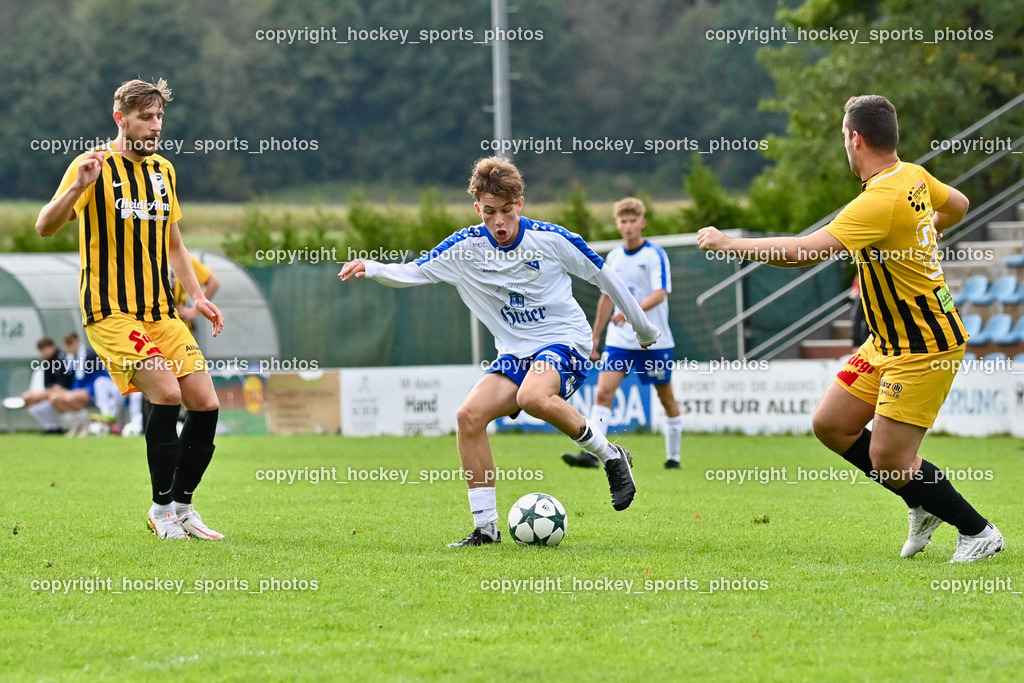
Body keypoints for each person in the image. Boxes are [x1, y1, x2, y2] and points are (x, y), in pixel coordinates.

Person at [697, 94, 1003, 563]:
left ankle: (979, 531)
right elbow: (959, 203)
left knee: (890, 460)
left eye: (844, 135)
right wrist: (928, 231)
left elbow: (804, 252)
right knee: (832, 425)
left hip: (925, 342)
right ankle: (922, 502)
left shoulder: (878, 200)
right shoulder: (913, 175)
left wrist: (728, 242)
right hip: (886, 340)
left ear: (855, 139)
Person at [340, 157, 660, 547]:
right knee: (469, 416)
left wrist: (644, 330)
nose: (500, 223)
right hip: (515, 354)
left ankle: (609, 455)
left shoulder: (553, 240)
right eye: (490, 213)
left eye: (507, 211)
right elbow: (415, 272)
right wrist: (372, 268)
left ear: (520, 203)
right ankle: (486, 528)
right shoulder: (463, 249)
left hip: (565, 342)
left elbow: (607, 279)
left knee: (532, 396)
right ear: (478, 209)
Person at [36, 78, 225, 540]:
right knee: (166, 391)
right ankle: (161, 511)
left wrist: (197, 294)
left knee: (206, 402)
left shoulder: (164, 171)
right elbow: (45, 226)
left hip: (160, 313)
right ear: (120, 118)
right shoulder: (92, 165)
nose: (155, 125)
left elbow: (175, 244)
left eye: (159, 116)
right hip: (110, 312)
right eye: (146, 117)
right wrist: (75, 188)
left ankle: (183, 506)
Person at [562, 198, 683, 469]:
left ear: (643, 223)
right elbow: (607, 297)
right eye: (623, 221)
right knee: (603, 392)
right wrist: (595, 336)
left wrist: (631, 312)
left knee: (666, 399)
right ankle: (593, 454)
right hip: (619, 342)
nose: (628, 226)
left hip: (653, 341)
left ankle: (673, 458)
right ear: (617, 224)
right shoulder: (614, 256)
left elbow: (660, 293)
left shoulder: (654, 255)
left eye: (633, 221)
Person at [21, 337, 74, 434]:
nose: (43, 353)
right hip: (51, 391)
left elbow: (67, 379)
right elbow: (47, 383)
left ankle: (67, 425)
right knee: (29, 399)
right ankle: (51, 427)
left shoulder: (62, 358)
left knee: (51, 398)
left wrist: (55, 389)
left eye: (45, 349)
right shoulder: (47, 362)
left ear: (51, 347)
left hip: (66, 390)